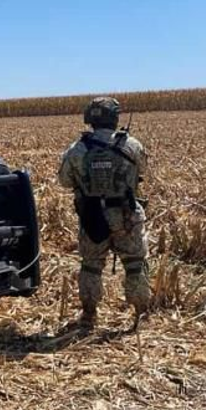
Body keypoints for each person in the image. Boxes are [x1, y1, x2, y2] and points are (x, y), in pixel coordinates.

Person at [57, 97, 150, 331]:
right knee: (135, 264)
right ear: (115, 117)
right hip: (127, 216)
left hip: (92, 217)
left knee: (91, 265)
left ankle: (89, 316)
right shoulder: (132, 145)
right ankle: (140, 314)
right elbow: (143, 171)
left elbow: (65, 181)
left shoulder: (77, 149)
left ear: (89, 119)